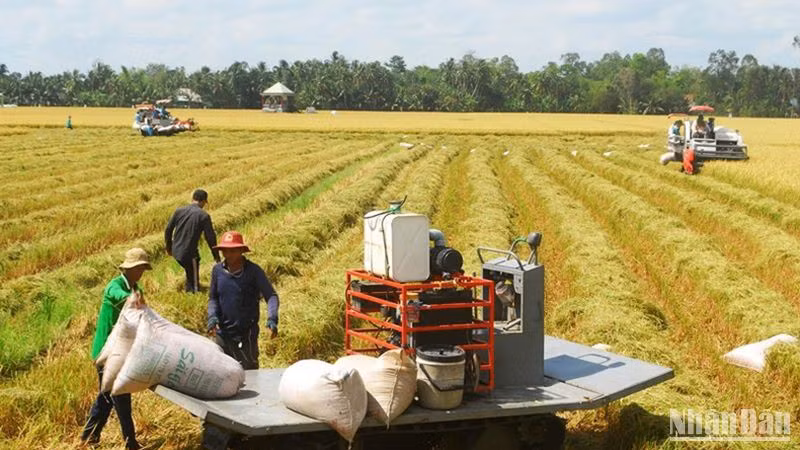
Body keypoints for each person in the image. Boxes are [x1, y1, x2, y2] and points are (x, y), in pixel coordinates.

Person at [81, 248, 151, 449]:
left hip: (122, 353)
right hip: (106, 352)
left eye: (143, 269)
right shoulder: (115, 286)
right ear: (128, 268)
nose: (140, 272)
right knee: (117, 397)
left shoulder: (136, 290)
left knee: (109, 397)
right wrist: (133, 299)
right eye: (138, 268)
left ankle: (90, 437)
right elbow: (118, 295)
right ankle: (129, 442)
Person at [207, 231, 279, 370]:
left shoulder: (253, 271)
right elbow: (213, 298)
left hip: (247, 333)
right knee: (224, 370)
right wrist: (212, 316)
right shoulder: (217, 271)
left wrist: (272, 318)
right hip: (224, 333)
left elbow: (271, 296)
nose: (228, 255)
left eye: (233, 251)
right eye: (225, 251)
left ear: (241, 250)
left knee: (249, 371)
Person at [165, 189, 220, 293]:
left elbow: (168, 229)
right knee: (194, 281)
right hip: (189, 254)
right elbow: (210, 238)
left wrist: (169, 247)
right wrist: (216, 257)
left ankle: (188, 288)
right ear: (203, 201)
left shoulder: (179, 211)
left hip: (176, 251)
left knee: (190, 273)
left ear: (192, 199)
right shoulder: (203, 215)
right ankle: (192, 293)